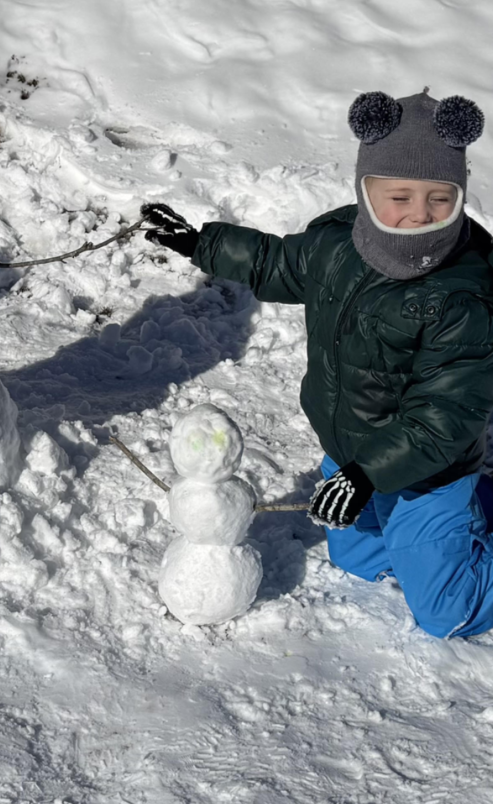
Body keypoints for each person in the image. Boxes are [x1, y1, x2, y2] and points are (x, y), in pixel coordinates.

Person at [143, 89, 493, 638]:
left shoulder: (462, 296)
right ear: (367, 192)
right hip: (352, 452)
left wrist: (367, 474)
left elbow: (443, 416)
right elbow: (276, 263)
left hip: (430, 469)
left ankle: (463, 518)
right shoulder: (338, 245)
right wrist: (200, 244)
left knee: (448, 610)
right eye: (400, 196)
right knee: (358, 559)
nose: (419, 214)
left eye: (440, 199)